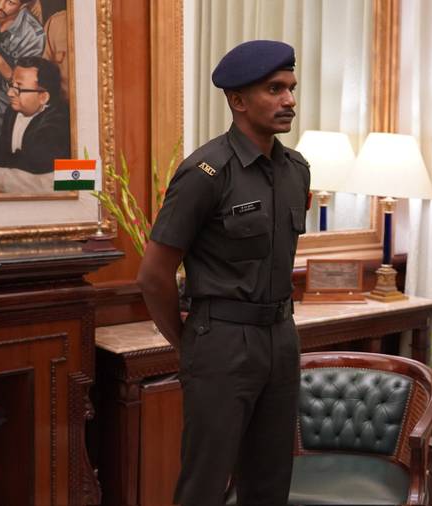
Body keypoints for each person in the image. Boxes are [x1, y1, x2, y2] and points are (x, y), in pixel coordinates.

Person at [138, 40, 310, 506]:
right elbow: (153, 274)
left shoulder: (296, 170)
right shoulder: (206, 171)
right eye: (274, 89)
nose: (289, 100)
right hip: (222, 341)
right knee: (206, 482)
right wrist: (188, 343)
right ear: (238, 100)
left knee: (271, 481)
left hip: (281, 336)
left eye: (291, 88)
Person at [0, 56, 68, 175]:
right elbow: (0, 155)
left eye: (19, 88)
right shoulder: (12, 112)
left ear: (43, 97)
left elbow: (33, 166)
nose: (9, 93)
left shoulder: (57, 123)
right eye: (11, 85)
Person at [0, 0, 45, 151]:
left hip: (0, 118)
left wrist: (0, 63)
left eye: (10, 2)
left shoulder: (33, 36)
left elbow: (27, 88)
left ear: (23, 5)